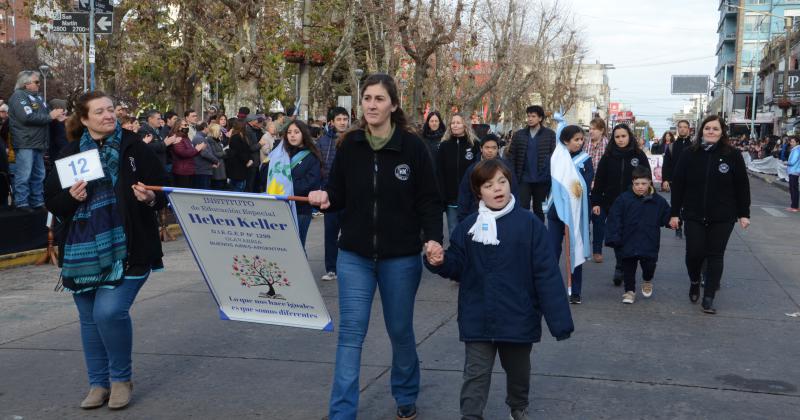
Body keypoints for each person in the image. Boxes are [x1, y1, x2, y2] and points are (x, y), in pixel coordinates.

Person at [307, 73, 442, 420]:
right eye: (367, 98)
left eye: (379, 98)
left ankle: (406, 394)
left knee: (400, 330)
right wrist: (323, 197)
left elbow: (428, 199)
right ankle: (341, 413)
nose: (371, 104)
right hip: (354, 256)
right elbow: (337, 193)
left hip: (401, 258)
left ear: (393, 105)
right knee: (351, 334)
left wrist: (432, 238)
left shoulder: (413, 148)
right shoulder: (349, 144)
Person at [43, 91, 169, 410]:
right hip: (81, 251)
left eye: (111, 110)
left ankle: (120, 379)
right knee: (88, 318)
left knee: (108, 312)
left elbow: (161, 189)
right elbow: (53, 203)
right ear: (84, 119)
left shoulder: (134, 147)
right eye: (100, 112)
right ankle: (97, 384)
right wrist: (72, 197)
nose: (108, 116)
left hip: (131, 246)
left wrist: (150, 198)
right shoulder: (69, 154)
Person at [424, 158, 573, 420]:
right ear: (478, 191)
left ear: (510, 184)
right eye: (489, 184)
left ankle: (518, 406)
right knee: (475, 374)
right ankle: (470, 416)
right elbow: (456, 264)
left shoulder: (530, 225)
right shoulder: (469, 226)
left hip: (518, 316)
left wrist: (559, 322)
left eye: (502, 182)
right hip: (477, 316)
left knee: (518, 372)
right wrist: (439, 260)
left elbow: (546, 275)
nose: (497, 189)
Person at [669, 115, 750, 314]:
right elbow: (678, 185)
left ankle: (709, 296)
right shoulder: (690, 153)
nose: (711, 132)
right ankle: (695, 281)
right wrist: (674, 213)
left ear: (722, 132)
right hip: (694, 213)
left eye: (715, 129)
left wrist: (743, 213)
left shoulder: (732, 155)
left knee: (716, 255)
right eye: (707, 128)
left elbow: (742, 186)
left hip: (723, 216)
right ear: (701, 131)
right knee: (694, 253)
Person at [590, 123, 650, 287]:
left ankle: (625, 265)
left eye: (623, 136)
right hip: (612, 204)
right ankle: (620, 266)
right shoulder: (608, 156)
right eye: (617, 137)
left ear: (629, 136)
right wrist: (596, 202)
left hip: (635, 204)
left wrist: (648, 198)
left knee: (630, 235)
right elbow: (600, 181)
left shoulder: (639, 155)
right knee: (618, 236)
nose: (620, 139)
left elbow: (647, 178)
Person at [604, 166, 671, 304]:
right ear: (632, 182)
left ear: (650, 183)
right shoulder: (623, 199)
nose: (640, 187)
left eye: (644, 184)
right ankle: (629, 291)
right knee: (628, 267)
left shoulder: (658, 201)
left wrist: (672, 221)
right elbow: (614, 218)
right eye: (637, 184)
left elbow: (666, 216)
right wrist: (614, 237)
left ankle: (647, 280)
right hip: (628, 240)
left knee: (649, 266)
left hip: (649, 240)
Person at [8, 70, 67, 212]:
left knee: (38, 174)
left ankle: (37, 201)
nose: (39, 84)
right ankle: (22, 202)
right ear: (26, 83)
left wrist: (56, 117)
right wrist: (50, 116)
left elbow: (45, 116)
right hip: (25, 143)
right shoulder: (18, 96)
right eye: (36, 82)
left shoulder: (38, 98)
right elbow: (27, 117)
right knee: (24, 174)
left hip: (38, 143)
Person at [547, 125, 593, 305]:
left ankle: (575, 290)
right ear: (566, 141)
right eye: (576, 139)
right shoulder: (556, 157)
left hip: (575, 211)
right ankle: (550, 287)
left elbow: (586, 181)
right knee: (552, 250)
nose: (580, 143)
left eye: (582, 139)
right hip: (555, 210)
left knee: (575, 249)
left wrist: (571, 189)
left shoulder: (585, 159)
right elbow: (547, 176)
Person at [270, 120, 322, 248]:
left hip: (301, 208)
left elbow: (311, 182)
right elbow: (267, 174)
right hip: (280, 207)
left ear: (303, 134)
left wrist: (288, 187)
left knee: (297, 246)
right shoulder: (280, 153)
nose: (292, 135)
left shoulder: (311, 156)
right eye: (289, 132)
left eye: (296, 132)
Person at [505, 105, 556, 221]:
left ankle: (539, 234)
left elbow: (554, 156)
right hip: (523, 179)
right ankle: (524, 233)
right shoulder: (519, 135)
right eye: (528, 116)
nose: (530, 119)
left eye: (533, 116)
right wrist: (512, 174)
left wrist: (548, 174)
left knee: (539, 209)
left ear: (540, 118)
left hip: (542, 179)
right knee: (523, 207)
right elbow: (511, 155)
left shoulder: (549, 134)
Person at [317, 106, 350, 281]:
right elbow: (318, 165)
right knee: (330, 233)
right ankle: (331, 268)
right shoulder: (322, 141)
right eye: (339, 119)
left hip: (350, 195)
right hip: (330, 194)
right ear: (332, 122)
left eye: (345, 119)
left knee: (349, 233)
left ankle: (349, 268)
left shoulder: (355, 139)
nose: (343, 122)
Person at [456, 133, 517, 222]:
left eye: (493, 148)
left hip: (503, 214)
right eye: (487, 147)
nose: (490, 151)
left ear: (498, 149)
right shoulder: (473, 169)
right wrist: (463, 219)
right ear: (481, 148)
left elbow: (514, 191)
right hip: (477, 215)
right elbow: (464, 195)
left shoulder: (506, 167)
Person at [437, 112, 480, 235]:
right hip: (451, 197)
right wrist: (442, 193)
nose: (455, 125)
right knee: (453, 228)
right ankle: (455, 253)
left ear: (465, 125)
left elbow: (479, 169)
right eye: (452, 123)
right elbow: (439, 171)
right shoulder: (444, 146)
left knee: (471, 228)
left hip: (471, 196)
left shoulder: (474, 145)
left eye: (458, 123)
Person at [584, 117, 609, 263]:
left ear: (601, 130)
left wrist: (598, 182)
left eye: (594, 129)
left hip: (601, 189)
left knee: (599, 221)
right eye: (590, 129)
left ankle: (597, 250)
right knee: (584, 219)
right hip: (584, 187)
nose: (591, 131)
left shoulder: (608, 145)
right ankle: (584, 248)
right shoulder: (585, 144)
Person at [662, 120, 692, 238]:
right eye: (681, 127)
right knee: (676, 204)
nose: (683, 129)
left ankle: (690, 228)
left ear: (689, 129)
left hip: (692, 182)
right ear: (678, 129)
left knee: (690, 205)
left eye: (685, 127)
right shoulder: (671, 146)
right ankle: (678, 226)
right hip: (676, 181)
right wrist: (665, 180)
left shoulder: (695, 145)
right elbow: (666, 165)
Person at [169, 118, 206, 188]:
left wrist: (199, 149)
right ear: (178, 127)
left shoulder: (185, 137)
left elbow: (191, 152)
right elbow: (182, 153)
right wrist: (196, 149)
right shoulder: (176, 137)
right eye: (185, 125)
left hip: (189, 170)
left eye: (187, 125)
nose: (187, 127)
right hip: (181, 171)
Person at [225, 119, 252, 192]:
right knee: (238, 188)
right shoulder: (236, 137)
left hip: (240, 167)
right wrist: (248, 160)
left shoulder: (241, 136)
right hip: (237, 168)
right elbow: (239, 152)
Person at [191, 122, 219, 190]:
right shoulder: (199, 138)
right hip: (202, 171)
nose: (208, 129)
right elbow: (205, 153)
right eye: (208, 127)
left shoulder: (201, 137)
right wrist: (216, 160)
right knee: (203, 192)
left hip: (204, 169)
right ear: (205, 128)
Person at [207, 123, 228, 190]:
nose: (220, 133)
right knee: (217, 186)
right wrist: (225, 152)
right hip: (216, 166)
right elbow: (215, 153)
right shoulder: (210, 140)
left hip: (220, 166)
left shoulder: (216, 140)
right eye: (219, 131)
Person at [787, 137, 800, 212]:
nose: (791, 143)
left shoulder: (797, 150)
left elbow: (792, 161)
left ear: (797, 142)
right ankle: (793, 205)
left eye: (793, 142)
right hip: (793, 171)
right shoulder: (795, 149)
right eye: (791, 142)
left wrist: (787, 163)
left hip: (794, 171)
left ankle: (794, 206)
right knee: (792, 189)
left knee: (794, 189)